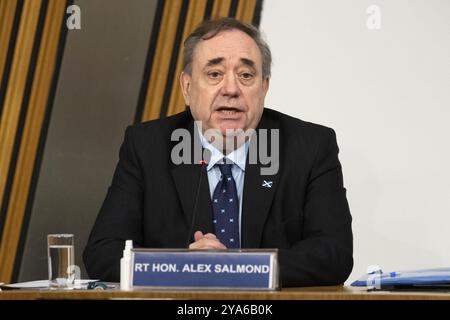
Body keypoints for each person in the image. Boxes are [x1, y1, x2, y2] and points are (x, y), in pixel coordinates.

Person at [83, 18, 353, 287]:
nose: (231, 89)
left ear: (264, 87)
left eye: (246, 75)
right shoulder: (147, 146)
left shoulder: (310, 146)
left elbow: (334, 254)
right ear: (187, 88)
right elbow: (103, 252)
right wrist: (185, 266)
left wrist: (236, 267)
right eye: (214, 74)